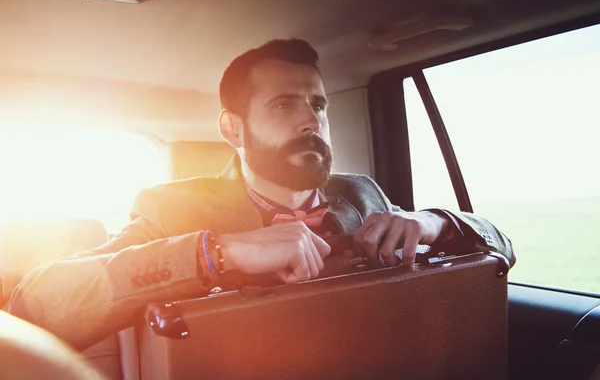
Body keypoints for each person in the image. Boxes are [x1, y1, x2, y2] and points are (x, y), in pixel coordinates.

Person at [6, 39, 514, 351]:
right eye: (283, 104)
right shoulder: (171, 208)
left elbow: (502, 250)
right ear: (233, 128)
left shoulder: (361, 194)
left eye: (318, 104)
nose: (311, 119)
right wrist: (217, 253)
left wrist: (434, 223)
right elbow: (37, 306)